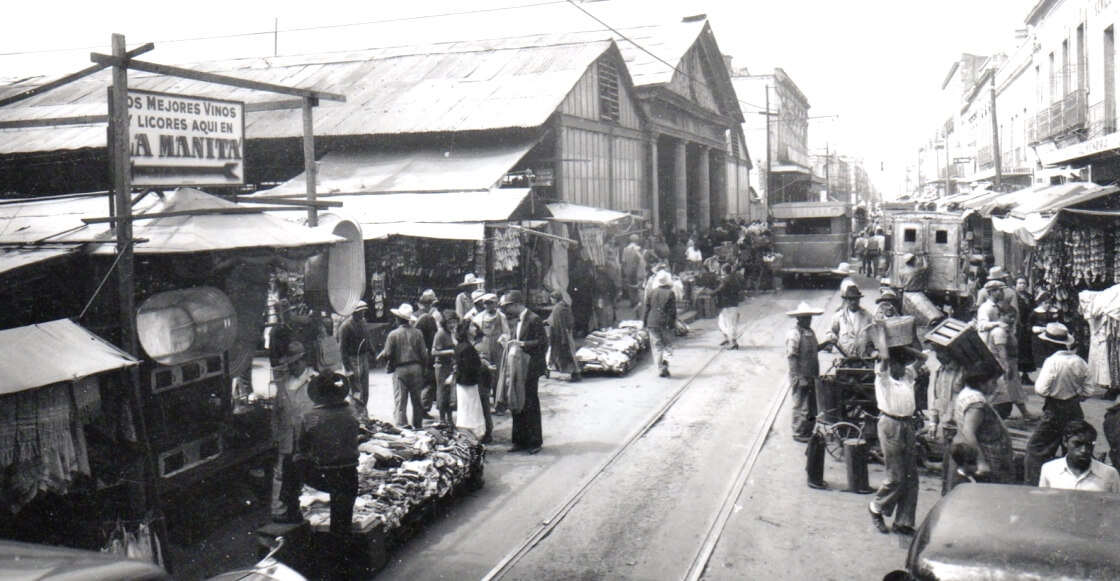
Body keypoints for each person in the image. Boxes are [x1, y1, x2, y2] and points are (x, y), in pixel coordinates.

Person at [1024, 323, 1102, 486]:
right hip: (1074, 407)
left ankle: (1035, 483)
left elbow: (1040, 389)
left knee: (1037, 448)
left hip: (1055, 407)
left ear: (1050, 344)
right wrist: (1076, 396)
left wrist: (1053, 393)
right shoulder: (1079, 362)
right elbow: (1088, 389)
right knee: (1073, 445)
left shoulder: (1052, 362)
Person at [868, 345, 926, 536]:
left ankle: (904, 522)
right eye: (898, 365)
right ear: (891, 365)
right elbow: (884, 362)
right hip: (890, 424)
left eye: (903, 364)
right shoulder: (883, 380)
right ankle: (876, 507)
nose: (902, 368)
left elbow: (922, 358)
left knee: (911, 477)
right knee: (896, 476)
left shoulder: (907, 376)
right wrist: (886, 351)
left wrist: (904, 347)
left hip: (907, 425)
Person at [296, 371, 359, 536]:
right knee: (343, 518)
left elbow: (302, 447)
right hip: (349, 472)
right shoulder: (351, 411)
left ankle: (289, 510)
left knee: (293, 462)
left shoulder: (310, 416)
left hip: (323, 473)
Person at [942, 367, 1015, 495]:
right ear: (981, 383)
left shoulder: (967, 393)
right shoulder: (976, 403)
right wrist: (982, 462)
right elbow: (969, 432)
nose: (996, 386)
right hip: (986, 456)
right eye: (993, 382)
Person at [272, 342, 317, 524]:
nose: (293, 366)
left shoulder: (315, 381)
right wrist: (276, 435)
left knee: (309, 472)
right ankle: (278, 510)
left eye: (297, 362)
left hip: (308, 437)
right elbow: (276, 412)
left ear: (304, 361)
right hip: (286, 437)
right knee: (281, 474)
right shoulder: (283, 384)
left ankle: (310, 510)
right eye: (291, 363)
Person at [499, 290, 546, 454]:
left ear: (516, 304)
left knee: (530, 403)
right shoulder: (515, 321)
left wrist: (523, 344)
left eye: (508, 306)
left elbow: (542, 342)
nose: (506, 310)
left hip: (531, 367)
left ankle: (534, 442)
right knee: (517, 401)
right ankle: (519, 440)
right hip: (518, 366)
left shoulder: (534, 319)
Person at [377, 303, 428, 430]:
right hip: (416, 367)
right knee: (417, 400)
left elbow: (388, 353)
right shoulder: (418, 333)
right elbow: (424, 353)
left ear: (398, 319)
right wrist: (424, 368)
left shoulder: (393, 335)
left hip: (400, 368)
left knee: (400, 400)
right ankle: (418, 425)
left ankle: (402, 426)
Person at [1039, 419, 1120, 492]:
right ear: (1065, 441)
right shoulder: (1049, 469)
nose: (1083, 450)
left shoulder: (1109, 473)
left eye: (1089, 445)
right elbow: (1044, 504)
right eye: (1078, 444)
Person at [986, 307, 1037, 421]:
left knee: (1014, 389)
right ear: (1001, 315)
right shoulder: (999, 331)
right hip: (1003, 363)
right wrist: (1006, 366)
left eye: (1014, 316)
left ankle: (1025, 413)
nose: (1012, 319)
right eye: (1009, 316)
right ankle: (987, 413)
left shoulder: (1007, 330)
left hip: (1010, 362)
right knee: (1003, 390)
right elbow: (1001, 350)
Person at [786, 301, 826, 445]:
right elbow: (792, 357)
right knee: (801, 404)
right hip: (800, 375)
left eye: (809, 317)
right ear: (799, 319)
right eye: (805, 318)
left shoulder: (810, 332)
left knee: (811, 405)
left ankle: (808, 431)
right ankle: (798, 432)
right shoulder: (794, 334)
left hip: (812, 374)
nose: (808, 320)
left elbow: (815, 348)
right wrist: (799, 376)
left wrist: (827, 343)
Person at [452, 320, 491, 443]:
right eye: (472, 326)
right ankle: (471, 438)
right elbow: (470, 368)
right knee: (470, 411)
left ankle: (468, 436)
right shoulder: (467, 348)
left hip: (465, 383)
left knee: (466, 410)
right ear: (467, 330)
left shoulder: (461, 345)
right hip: (468, 384)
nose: (475, 328)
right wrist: (483, 367)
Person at [472, 292, 509, 414]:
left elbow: (506, 332)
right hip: (484, 346)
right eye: (486, 303)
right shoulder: (479, 317)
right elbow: (474, 333)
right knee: (485, 374)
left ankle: (500, 405)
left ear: (496, 304)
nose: (488, 306)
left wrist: (502, 339)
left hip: (498, 347)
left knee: (499, 376)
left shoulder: (501, 317)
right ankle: (485, 406)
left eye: (490, 303)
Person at [338, 301, 373, 419]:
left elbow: (367, 338)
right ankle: (357, 415)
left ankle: (363, 412)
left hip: (363, 357)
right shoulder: (345, 327)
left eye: (363, 311)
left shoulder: (363, 322)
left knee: (365, 387)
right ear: (354, 312)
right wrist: (348, 369)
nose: (362, 314)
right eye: (360, 312)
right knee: (356, 388)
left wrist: (372, 352)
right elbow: (342, 350)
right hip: (352, 358)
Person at [825, 285, 875, 359]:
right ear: (846, 300)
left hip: (864, 359)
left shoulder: (868, 316)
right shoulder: (839, 316)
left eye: (855, 299)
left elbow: (875, 335)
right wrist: (832, 337)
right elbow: (830, 332)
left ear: (859, 299)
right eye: (850, 299)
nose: (853, 302)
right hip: (844, 359)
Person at [644, 270, 678, 378]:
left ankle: (660, 368)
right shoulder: (670, 293)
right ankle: (666, 362)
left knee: (657, 346)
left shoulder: (651, 292)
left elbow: (647, 308)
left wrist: (644, 322)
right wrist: (672, 324)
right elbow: (672, 311)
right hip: (665, 323)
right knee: (669, 344)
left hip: (652, 322)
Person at [431, 310, 459, 426]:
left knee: (450, 392)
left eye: (454, 322)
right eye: (449, 323)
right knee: (442, 392)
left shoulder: (454, 333)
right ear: (444, 323)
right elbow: (434, 352)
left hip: (451, 365)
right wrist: (450, 351)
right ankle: (442, 418)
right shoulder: (440, 334)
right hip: (441, 366)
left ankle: (449, 418)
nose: (452, 325)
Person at [546, 291, 581, 380]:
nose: (551, 300)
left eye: (551, 299)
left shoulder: (557, 308)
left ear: (555, 298)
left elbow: (552, 321)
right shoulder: (565, 306)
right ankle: (575, 372)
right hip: (567, 332)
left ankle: (574, 372)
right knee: (570, 352)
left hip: (559, 334)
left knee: (557, 352)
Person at [415, 291, 440, 415]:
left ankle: (418, 408)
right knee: (430, 382)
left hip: (414, 355)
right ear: (429, 305)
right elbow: (433, 338)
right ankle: (424, 408)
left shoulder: (413, 316)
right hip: (427, 354)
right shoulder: (428, 318)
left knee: (419, 383)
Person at [715, 262, 744, 349]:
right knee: (723, 322)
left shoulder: (726, 280)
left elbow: (720, 289)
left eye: (721, 270)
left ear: (724, 271)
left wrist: (711, 293)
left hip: (728, 305)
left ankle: (733, 342)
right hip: (733, 303)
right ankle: (728, 339)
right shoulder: (734, 278)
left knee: (729, 323)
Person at [975, 279, 1005, 345]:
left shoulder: (998, 307)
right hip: (987, 344)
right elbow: (982, 325)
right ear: (992, 292)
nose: (1003, 293)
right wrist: (997, 324)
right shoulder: (985, 307)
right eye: (1000, 291)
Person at [621, 234, 645, 306]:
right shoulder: (638, 249)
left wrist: (625, 270)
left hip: (628, 271)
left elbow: (623, 261)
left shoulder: (625, 249)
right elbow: (641, 260)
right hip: (637, 270)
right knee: (638, 286)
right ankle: (637, 302)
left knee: (630, 287)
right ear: (637, 241)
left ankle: (632, 302)